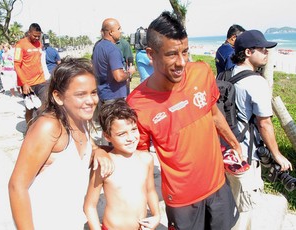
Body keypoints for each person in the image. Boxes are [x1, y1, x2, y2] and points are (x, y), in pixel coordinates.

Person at [126, 11, 242, 230]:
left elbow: (214, 114)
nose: (182, 62)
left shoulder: (202, 72)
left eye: (185, 52)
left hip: (218, 187)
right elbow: (139, 159)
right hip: (182, 203)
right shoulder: (136, 104)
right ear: (151, 54)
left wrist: (234, 143)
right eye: (172, 54)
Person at [8, 57, 100, 229]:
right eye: (81, 94)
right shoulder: (49, 127)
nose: (90, 100)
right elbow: (17, 186)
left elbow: (90, 146)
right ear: (58, 97)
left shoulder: (81, 119)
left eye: (93, 92)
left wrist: (99, 151)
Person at [226, 29, 293, 230]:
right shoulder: (257, 82)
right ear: (248, 52)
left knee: (231, 202)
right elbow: (265, 123)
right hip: (246, 155)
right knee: (245, 211)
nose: (266, 52)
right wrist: (277, 155)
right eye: (262, 48)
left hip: (227, 150)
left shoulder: (228, 74)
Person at [84, 99, 160, 230]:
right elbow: (89, 206)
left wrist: (156, 216)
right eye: (122, 134)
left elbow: (150, 190)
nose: (131, 138)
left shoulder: (146, 159)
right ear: (107, 136)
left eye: (134, 129)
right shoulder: (104, 164)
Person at [92, 18, 135, 106]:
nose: (121, 31)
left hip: (102, 96)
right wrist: (130, 73)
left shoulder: (98, 47)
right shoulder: (113, 49)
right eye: (119, 29)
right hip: (114, 98)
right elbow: (118, 77)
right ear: (111, 32)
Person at [14, 23, 48, 126]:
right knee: (29, 109)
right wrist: (24, 83)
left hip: (41, 81)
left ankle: (41, 129)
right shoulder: (20, 44)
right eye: (34, 36)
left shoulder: (39, 44)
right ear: (29, 33)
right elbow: (16, 65)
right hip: (27, 84)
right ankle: (29, 130)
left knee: (44, 106)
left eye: (39, 36)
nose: (37, 38)